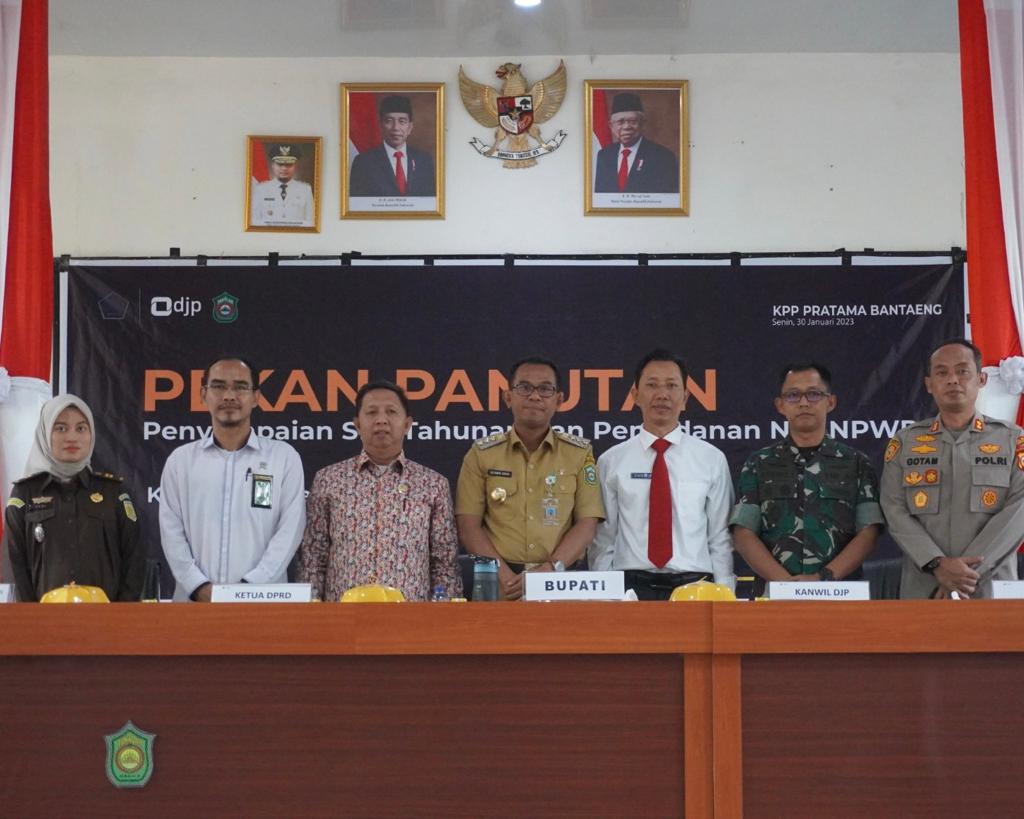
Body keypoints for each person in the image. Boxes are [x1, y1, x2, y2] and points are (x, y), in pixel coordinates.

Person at [881, 338, 1024, 599]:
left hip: (991, 589)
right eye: (942, 372)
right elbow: (894, 509)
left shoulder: (1013, 439)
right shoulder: (905, 442)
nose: (952, 380)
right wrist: (937, 564)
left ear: (981, 379)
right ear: (929, 384)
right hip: (926, 589)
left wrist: (964, 575)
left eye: (962, 371)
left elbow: (1019, 511)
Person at [455, 356, 604, 600]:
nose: (535, 396)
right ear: (508, 397)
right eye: (524, 387)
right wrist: (503, 575)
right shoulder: (481, 454)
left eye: (545, 389)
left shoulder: (579, 454)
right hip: (499, 584)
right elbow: (468, 526)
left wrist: (548, 571)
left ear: (559, 400)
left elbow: (587, 524)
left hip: (558, 584)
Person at [589, 349, 734, 599]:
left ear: (685, 397)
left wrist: (724, 592)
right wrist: (605, 594)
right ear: (635, 395)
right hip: (630, 588)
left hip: (696, 587)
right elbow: (603, 538)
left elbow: (720, 536)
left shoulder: (711, 459)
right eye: (652, 385)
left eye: (672, 385)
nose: (662, 394)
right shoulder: (611, 461)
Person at [297, 381, 460, 602]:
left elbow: (445, 562)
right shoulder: (329, 480)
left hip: (411, 615)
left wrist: (444, 616)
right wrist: (311, 613)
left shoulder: (433, 484)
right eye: (371, 412)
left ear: (407, 424)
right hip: (343, 615)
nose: (381, 419)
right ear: (357, 424)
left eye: (391, 412)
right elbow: (313, 558)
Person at [159, 355, 306, 601]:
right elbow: (171, 531)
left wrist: (248, 589)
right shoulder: (180, 461)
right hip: (194, 604)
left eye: (240, 387)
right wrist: (198, 587)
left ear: (256, 397)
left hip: (263, 603)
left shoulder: (283, 457)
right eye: (218, 386)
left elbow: (290, 529)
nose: (229, 396)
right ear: (203, 395)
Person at [730, 363, 883, 596]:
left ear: (830, 402)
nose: (803, 403)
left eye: (813, 394)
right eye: (793, 395)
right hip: (773, 596)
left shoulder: (857, 463)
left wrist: (822, 579)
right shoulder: (759, 463)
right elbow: (743, 533)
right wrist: (788, 586)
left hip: (841, 594)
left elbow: (869, 532)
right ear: (780, 405)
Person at [4, 394, 145, 602]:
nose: (71, 437)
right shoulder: (24, 494)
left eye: (81, 428)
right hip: (43, 620)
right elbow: (17, 566)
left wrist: (119, 616)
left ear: (91, 434)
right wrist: (32, 617)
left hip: (108, 619)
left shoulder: (114, 493)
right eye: (61, 428)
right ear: (45, 433)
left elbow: (134, 561)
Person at [349, 95, 436, 197]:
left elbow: (429, 200)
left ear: (410, 127)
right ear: (380, 125)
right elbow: (357, 203)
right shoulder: (363, 162)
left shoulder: (424, 160)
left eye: (402, 121)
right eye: (389, 121)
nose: (396, 128)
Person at [594, 92, 679, 194]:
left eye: (633, 121)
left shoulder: (663, 157)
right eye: (620, 122)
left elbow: (667, 198)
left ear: (643, 124)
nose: (626, 127)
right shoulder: (604, 155)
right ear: (611, 126)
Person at [250, 144, 314, 227]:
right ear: (273, 166)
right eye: (280, 164)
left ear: (295, 166)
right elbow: (255, 222)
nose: (284, 168)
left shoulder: (305, 190)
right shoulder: (260, 189)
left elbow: (310, 223)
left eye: (289, 164)